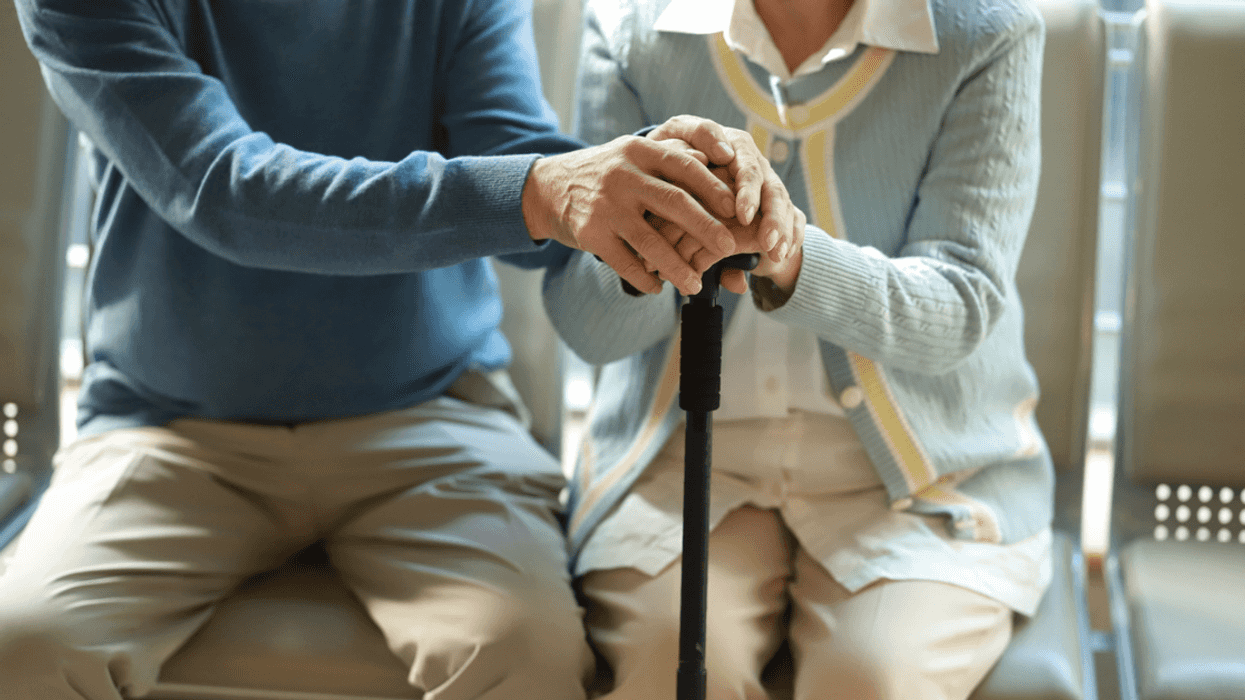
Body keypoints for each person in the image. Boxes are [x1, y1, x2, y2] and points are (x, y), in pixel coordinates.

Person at [0, 1, 801, 699]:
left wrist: (652, 185)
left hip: (431, 418)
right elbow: (223, 189)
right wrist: (543, 192)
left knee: (524, 657)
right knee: (23, 651)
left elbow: (521, 166)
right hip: (167, 430)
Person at [544, 0, 1052, 698]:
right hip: (677, 468)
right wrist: (652, 245)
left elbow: (959, 309)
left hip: (921, 486)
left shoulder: (985, 34)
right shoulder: (629, 29)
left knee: (869, 680)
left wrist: (791, 255)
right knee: (676, 670)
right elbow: (587, 327)